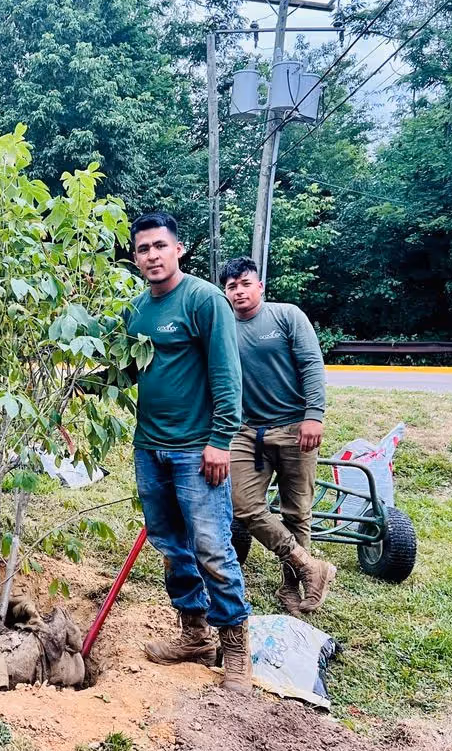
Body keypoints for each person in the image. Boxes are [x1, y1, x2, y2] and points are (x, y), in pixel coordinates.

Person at [126, 212, 253, 694]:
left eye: (160, 245)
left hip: (197, 451)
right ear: (135, 257)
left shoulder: (204, 299)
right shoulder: (136, 311)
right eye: (143, 248)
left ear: (178, 250)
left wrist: (220, 441)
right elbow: (128, 372)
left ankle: (235, 645)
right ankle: (194, 634)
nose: (152, 255)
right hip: (150, 448)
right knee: (170, 545)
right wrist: (76, 387)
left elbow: (226, 375)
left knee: (212, 547)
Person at [220, 257, 336, 614]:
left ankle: (292, 586)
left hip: (294, 427)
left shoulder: (286, 316)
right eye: (231, 286)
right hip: (247, 431)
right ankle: (309, 566)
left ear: (259, 286)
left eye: (244, 284)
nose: (239, 291)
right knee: (243, 505)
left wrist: (313, 416)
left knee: (296, 511)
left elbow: (311, 364)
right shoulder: (223, 327)